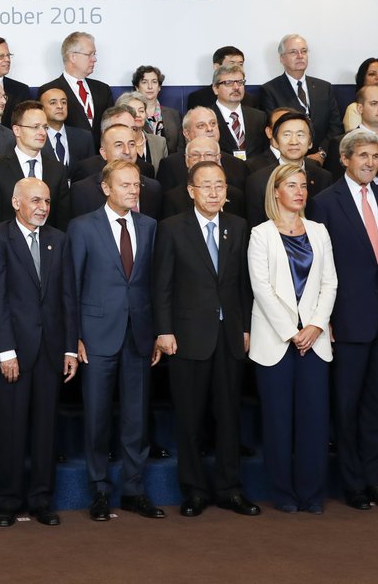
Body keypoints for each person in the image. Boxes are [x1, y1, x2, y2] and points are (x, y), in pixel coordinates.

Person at [307, 129, 378, 510]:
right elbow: (318, 267)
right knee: (347, 406)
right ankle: (353, 484)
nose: (371, 162)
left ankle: (375, 481)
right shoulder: (324, 203)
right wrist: (325, 317)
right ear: (345, 159)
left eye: (375, 155)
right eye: (363, 155)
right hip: (346, 322)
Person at [153, 161, 258, 517]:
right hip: (187, 337)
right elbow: (162, 285)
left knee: (229, 416)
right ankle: (194, 490)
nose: (214, 193)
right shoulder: (171, 228)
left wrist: (245, 327)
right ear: (191, 191)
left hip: (230, 336)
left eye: (220, 186)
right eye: (206, 186)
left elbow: (244, 284)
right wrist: (164, 330)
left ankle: (230, 489)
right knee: (190, 418)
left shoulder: (238, 226)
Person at [68, 160, 163, 521]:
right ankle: (99, 491)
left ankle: (134, 491)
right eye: (125, 185)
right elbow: (72, 286)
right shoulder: (82, 227)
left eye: (136, 185)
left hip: (138, 335)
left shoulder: (149, 226)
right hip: (95, 337)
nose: (133, 190)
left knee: (136, 418)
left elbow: (154, 284)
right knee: (97, 416)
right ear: (106, 188)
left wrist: (155, 332)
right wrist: (75, 337)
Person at [0, 177, 77, 527]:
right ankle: (7, 501)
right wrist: (5, 351)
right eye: (35, 200)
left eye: (47, 201)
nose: (43, 207)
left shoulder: (59, 239)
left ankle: (41, 500)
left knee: (45, 431)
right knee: (9, 429)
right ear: (15, 202)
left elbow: (68, 297)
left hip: (50, 352)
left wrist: (70, 348)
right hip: (14, 354)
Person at [248, 163, 337, 514]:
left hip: (315, 340)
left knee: (314, 421)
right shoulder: (260, 234)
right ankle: (283, 492)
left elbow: (330, 283)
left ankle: (312, 493)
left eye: (303, 186)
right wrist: (291, 332)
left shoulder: (319, 231)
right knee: (278, 421)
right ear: (276, 192)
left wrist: (315, 326)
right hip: (276, 341)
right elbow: (261, 288)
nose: (300, 192)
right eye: (291, 186)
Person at [0, 100, 71, 231]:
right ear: (17, 130)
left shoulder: (57, 170)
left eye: (45, 127)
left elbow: (62, 222)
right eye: (35, 127)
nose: (42, 132)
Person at [258, 34, 342, 163]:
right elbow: (275, 131)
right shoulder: (270, 90)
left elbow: (336, 127)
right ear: (282, 58)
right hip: (288, 162)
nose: (300, 56)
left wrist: (322, 153)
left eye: (304, 51)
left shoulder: (324, 88)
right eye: (293, 52)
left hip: (325, 160)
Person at [245, 111, 334, 227]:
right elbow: (255, 225)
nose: (294, 141)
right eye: (287, 135)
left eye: (300, 135)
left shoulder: (323, 177)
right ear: (275, 142)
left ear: (310, 142)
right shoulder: (258, 181)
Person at [71, 121, 163, 219]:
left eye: (131, 144)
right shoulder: (83, 191)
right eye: (119, 145)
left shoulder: (153, 188)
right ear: (104, 153)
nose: (127, 151)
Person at [155, 106, 249, 193]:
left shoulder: (237, 165)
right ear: (186, 133)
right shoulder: (170, 165)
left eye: (213, 123)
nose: (209, 129)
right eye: (201, 125)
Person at [38, 31, 111, 133]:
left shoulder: (103, 89)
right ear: (73, 57)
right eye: (89, 54)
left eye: (94, 54)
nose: (94, 59)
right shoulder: (49, 90)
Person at [160, 137, 246, 219]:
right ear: (187, 160)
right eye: (195, 155)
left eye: (208, 154)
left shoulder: (236, 196)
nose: (202, 160)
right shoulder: (173, 199)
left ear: (218, 158)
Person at [209, 63, 268, 159]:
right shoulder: (207, 117)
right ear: (215, 89)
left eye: (240, 82)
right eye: (228, 83)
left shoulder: (259, 117)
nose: (236, 87)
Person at [186, 46, 259, 111]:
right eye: (232, 64)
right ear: (216, 67)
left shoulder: (249, 100)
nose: (236, 68)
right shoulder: (198, 98)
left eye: (240, 64)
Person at [38, 87, 94, 169]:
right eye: (53, 103)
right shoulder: (35, 137)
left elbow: (91, 171)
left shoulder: (84, 137)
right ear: (42, 109)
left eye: (64, 102)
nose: (60, 106)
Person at [132, 65, 181, 153]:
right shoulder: (130, 114)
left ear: (159, 87)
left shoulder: (174, 114)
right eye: (144, 82)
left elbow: (180, 147)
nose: (150, 86)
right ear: (137, 87)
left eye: (154, 82)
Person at [116, 91, 169, 166]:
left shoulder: (160, 142)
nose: (138, 115)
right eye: (132, 111)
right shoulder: (116, 144)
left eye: (141, 111)